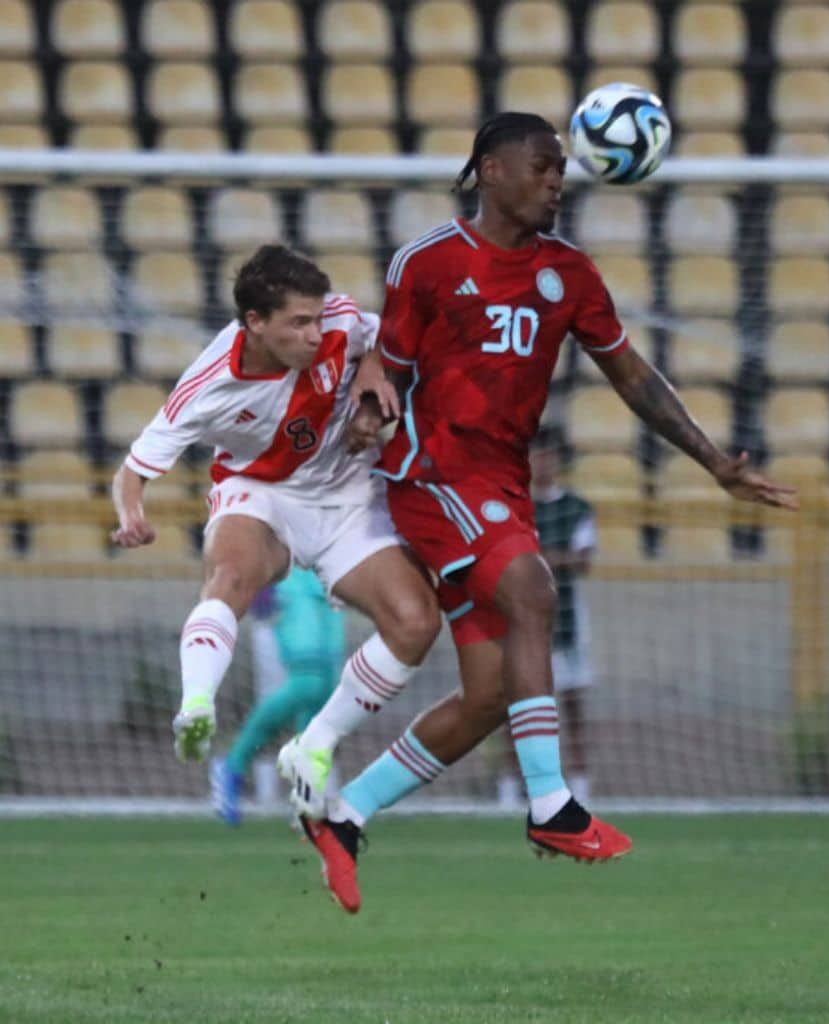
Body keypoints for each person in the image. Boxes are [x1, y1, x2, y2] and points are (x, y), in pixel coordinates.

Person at [285, 111, 796, 902]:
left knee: (491, 693)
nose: (558, 180)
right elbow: (388, 366)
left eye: (562, 168)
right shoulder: (429, 262)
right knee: (533, 588)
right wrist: (367, 408)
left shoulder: (570, 275)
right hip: (433, 476)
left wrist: (712, 461)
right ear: (492, 171)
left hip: (502, 487)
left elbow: (633, 376)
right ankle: (552, 803)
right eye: (543, 165)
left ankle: (345, 818)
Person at [111, 245, 439, 773]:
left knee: (415, 623)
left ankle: (314, 744)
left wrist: (373, 375)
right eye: (299, 322)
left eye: (317, 319)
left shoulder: (339, 320)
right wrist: (132, 515)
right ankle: (197, 704)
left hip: (347, 493)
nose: (314, 334)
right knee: (231, 575)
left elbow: (389, 335)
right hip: (261, 492)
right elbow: (133, 469)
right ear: (256, 322)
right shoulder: (207, 386)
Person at [498, 425, 597, 806]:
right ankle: (510, 786)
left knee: (572, 706)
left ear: (560, 460)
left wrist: (536, 559)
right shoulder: (513, 504)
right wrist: (551, 559)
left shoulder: (577, 507)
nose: (543, 462)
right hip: (518, 619)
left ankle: (580, 785)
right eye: (537, 454)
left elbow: (583, 560)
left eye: (550, 454)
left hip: (567, 617)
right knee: (515, 708)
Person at [209, 567, 346, 825]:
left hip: (328, 573)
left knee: (326, 690)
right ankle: (232, 763)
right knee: (308, 681)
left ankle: (307, 791)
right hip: (292, 575)